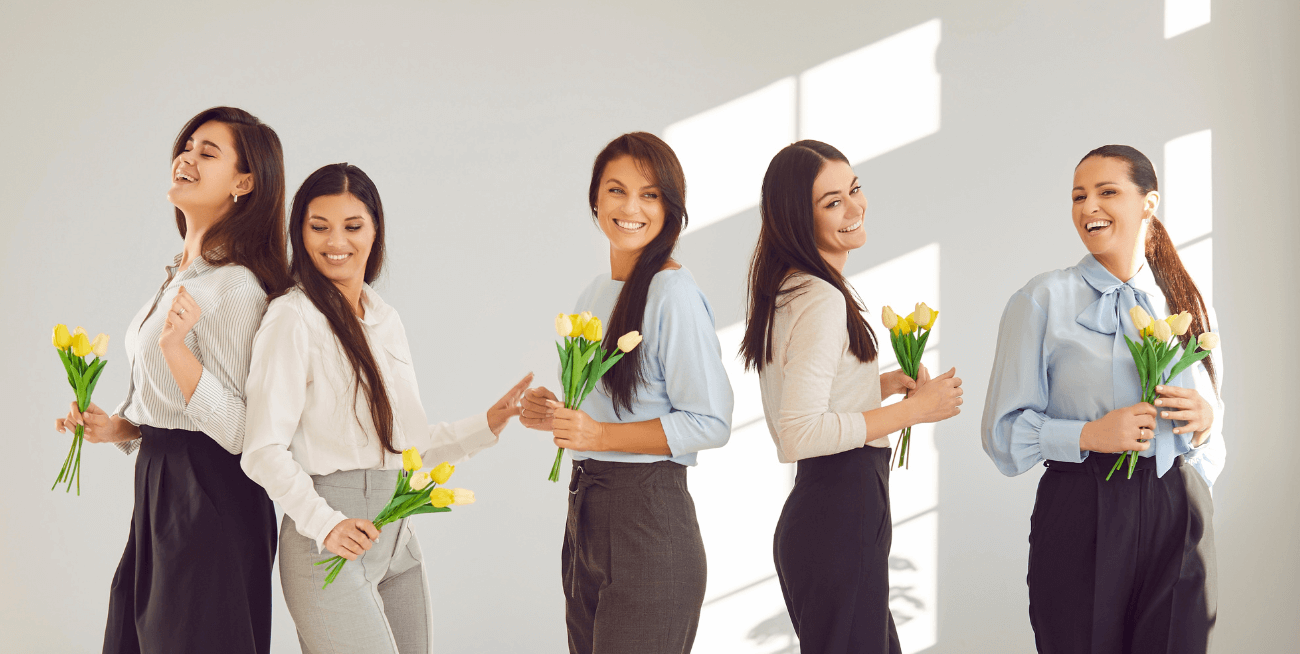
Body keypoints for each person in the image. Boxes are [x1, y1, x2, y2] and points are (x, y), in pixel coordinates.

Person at [240, 163, 532, 654]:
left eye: (353, 226)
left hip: (398, 537)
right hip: (328, 540)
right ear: (299, 233)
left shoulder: (384, 319)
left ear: (375, 230)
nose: (337, 241)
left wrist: (487, 425)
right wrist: (326, 522)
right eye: (319, 227)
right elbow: (262, 448)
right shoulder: (292, 317)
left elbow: (406, 446)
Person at [55, 106, 291, 654]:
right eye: (186, 146)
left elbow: (242, 433)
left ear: (244, 182)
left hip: (213, 495)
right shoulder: (182, 275)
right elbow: (172, 411)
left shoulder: (237, 288)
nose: (186, 156)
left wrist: (175, 350)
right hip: (160, 487)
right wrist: (117, 428)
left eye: (208, 152)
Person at [981, 145, 1224, 653]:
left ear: (1148, 203)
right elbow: (1002, 434)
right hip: (1080, 508)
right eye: (1078, 196)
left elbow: (1211, 435)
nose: (1088, 207)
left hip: (1176, 507)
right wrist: (1090, 435)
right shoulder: (1041, 299)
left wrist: (1205, 423)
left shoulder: (1186, 301)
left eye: (1106, 192)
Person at [740, 139, 963, 653]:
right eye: (832, 202)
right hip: (839, 513)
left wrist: (877, 387)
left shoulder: (793, 288)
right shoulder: (819, 298)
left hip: (828, 514)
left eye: (855, 189)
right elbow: (797, 434)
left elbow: (803, 401)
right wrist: (914, 410)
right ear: (798, 217)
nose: (856, 208)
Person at [518, 132, 733, 654]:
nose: (631, 207)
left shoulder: (674, 295)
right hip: (586, 510)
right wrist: (556, 412)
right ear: (596, 199)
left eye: (651, 194)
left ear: (671, 207)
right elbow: (606, 404)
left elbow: (711, 422)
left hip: (649, 520)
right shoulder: (595, 292)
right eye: (616, 190)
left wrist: (597, 432)